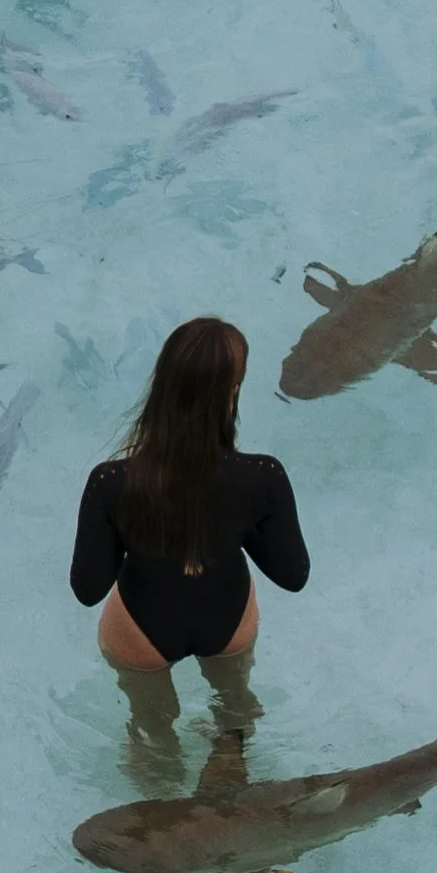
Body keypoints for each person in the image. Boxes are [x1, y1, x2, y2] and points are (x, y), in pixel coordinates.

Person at [69, 317, 309, 795]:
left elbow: (88, 589)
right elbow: (292, 575)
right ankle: (229, 765)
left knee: (150, 727)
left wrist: (133, 526)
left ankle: (163, 803)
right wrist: (240, 521)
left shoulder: (111, 482)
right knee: (235, 709)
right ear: (232, 393)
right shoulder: (262, 476)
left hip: (141, 628)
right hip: (227, 619)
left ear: (161, 386)